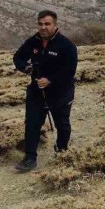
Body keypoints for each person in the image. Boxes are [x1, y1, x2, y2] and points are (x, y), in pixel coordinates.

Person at [12, 10, 78, 172]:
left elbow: (70, 70)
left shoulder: (67, 45)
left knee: (62, 123)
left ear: (55, 25)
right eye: (40, 24)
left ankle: (62, 150)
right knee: (32, 123)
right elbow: (18, 57)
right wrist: (26, 68)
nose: (43, 27)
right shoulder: (33, 42)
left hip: (61, 91)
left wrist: (50, 80)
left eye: (47, 24)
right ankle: (29, 158)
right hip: (36, 91)